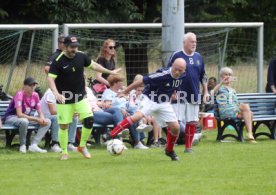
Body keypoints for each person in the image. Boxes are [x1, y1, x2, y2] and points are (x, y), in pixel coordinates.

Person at [48, 35, 121, 160]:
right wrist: (56, 93)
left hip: (80, 96)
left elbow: (94, 66)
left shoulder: (81, 56)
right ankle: (64, 152)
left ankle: (82, 146)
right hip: (65, 100)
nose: (74, 49)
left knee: (89, 120)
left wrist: (110, 72)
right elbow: (50, 78)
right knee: (64, 126)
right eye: (71, 47)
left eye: (76, 47)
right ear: (65, 47)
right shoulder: (58, 60)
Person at [103, 58, 187, 161]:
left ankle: (169, 150)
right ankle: (111, 134)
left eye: (180, 70)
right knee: (137, 116)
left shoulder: (183, 76)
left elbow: (174, 85)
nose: (177, 72)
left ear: (184, 70)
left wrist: (173, 93)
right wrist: (125, 91)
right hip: (150, 99)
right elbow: (140, 81)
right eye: (176, 69)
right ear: (172, 65)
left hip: (164, 103)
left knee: (176, 128)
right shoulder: (162, 75)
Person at [167, 32, 209, 153]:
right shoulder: (176, 55)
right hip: (179, 94)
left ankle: (188, 147)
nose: (194, 44)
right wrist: (171, 91)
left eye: (195, 42)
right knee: (176, 122)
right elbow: (168, 73)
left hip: (194, 95)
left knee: (192, 121)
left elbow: (203, 76)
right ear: (184, 42)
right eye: (191, 41)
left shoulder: (198, 57)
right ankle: (170, 147)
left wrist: (205, 92)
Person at [4, 77, 51, 153]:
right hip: (11, 117)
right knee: (24, 121)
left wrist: (42, 118)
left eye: (33, 85)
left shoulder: (35, 95)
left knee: (47, 121)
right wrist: (36, 119)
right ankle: (23, 145)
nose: (32, 87)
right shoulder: (19, 94)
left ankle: (34, 145)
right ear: (24, 86)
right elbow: (19, 114)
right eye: (30, 85)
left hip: (25, 118)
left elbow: (40, 111)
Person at [101, 75, 148, 149]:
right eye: (121, 82)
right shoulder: (108, 92)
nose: (123, 83)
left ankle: (137, 142)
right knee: (126, 115)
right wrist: (121, 109)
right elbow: (107, 106)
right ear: (116, 83)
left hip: (125, 113)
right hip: (112, 113)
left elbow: (128, 104)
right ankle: (121, 142)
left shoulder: (121, 92)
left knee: (133, 116)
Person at [211, 67, 257, 143]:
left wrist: (240, 107)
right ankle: (249, 134)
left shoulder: (233, 90)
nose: (228, 76)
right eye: (226, 74)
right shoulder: (220, 88)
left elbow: (235, 103)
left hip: (234, 111)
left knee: (249, 113)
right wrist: (222, 82)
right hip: (225, 112)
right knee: (246, 107)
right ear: (221, 76)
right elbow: (212, 92)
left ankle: (250, 135)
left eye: (230, 74)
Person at [40, 88, 78, 152]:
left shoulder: (65, 92)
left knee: (74, 117)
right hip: (43, 116)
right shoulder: (50, 93)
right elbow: (52, 111)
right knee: (57, 117)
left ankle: (70, 144)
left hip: (55, 115)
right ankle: (55, 144)